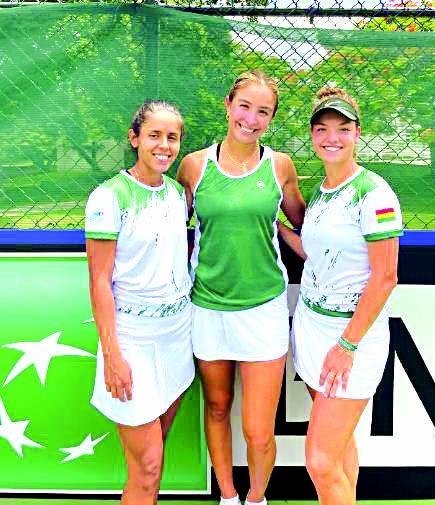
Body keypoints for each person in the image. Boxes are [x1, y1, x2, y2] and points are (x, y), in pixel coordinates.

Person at [177, 69, 305, 505]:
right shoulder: (194, 165)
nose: (251, 118)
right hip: (207, 307)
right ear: (229, 105)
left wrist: (285, 233)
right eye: (245, 106)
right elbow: (175, 228)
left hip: (263, 309)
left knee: (256, 427)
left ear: (270, 119)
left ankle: (256, 498)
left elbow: (301, 223)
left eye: (263, 111)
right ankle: (228, 497)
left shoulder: (280, 166)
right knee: (216, 407)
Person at [279, 87, 403, 505]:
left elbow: (385, 277)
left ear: (357, 133)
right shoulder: (322, 191)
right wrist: (274, 227)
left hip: (351, 338)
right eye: (322, 129)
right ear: (312, 135)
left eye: (343, 129)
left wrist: (347, 345)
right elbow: (314, 252)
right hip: (312, 326)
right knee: (340, 449)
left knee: (319, 460)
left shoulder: (374, 192)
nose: (332, 137)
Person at [85, 100, 194, 505]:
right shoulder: (108, 197)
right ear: (134, 139)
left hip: (175, 337)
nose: (164, 145)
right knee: (148, 467)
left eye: (172, 137)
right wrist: (113, 355)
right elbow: (99, 281)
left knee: (154, 454)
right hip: (131, 342)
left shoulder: (177, 195)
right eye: (154, 135)